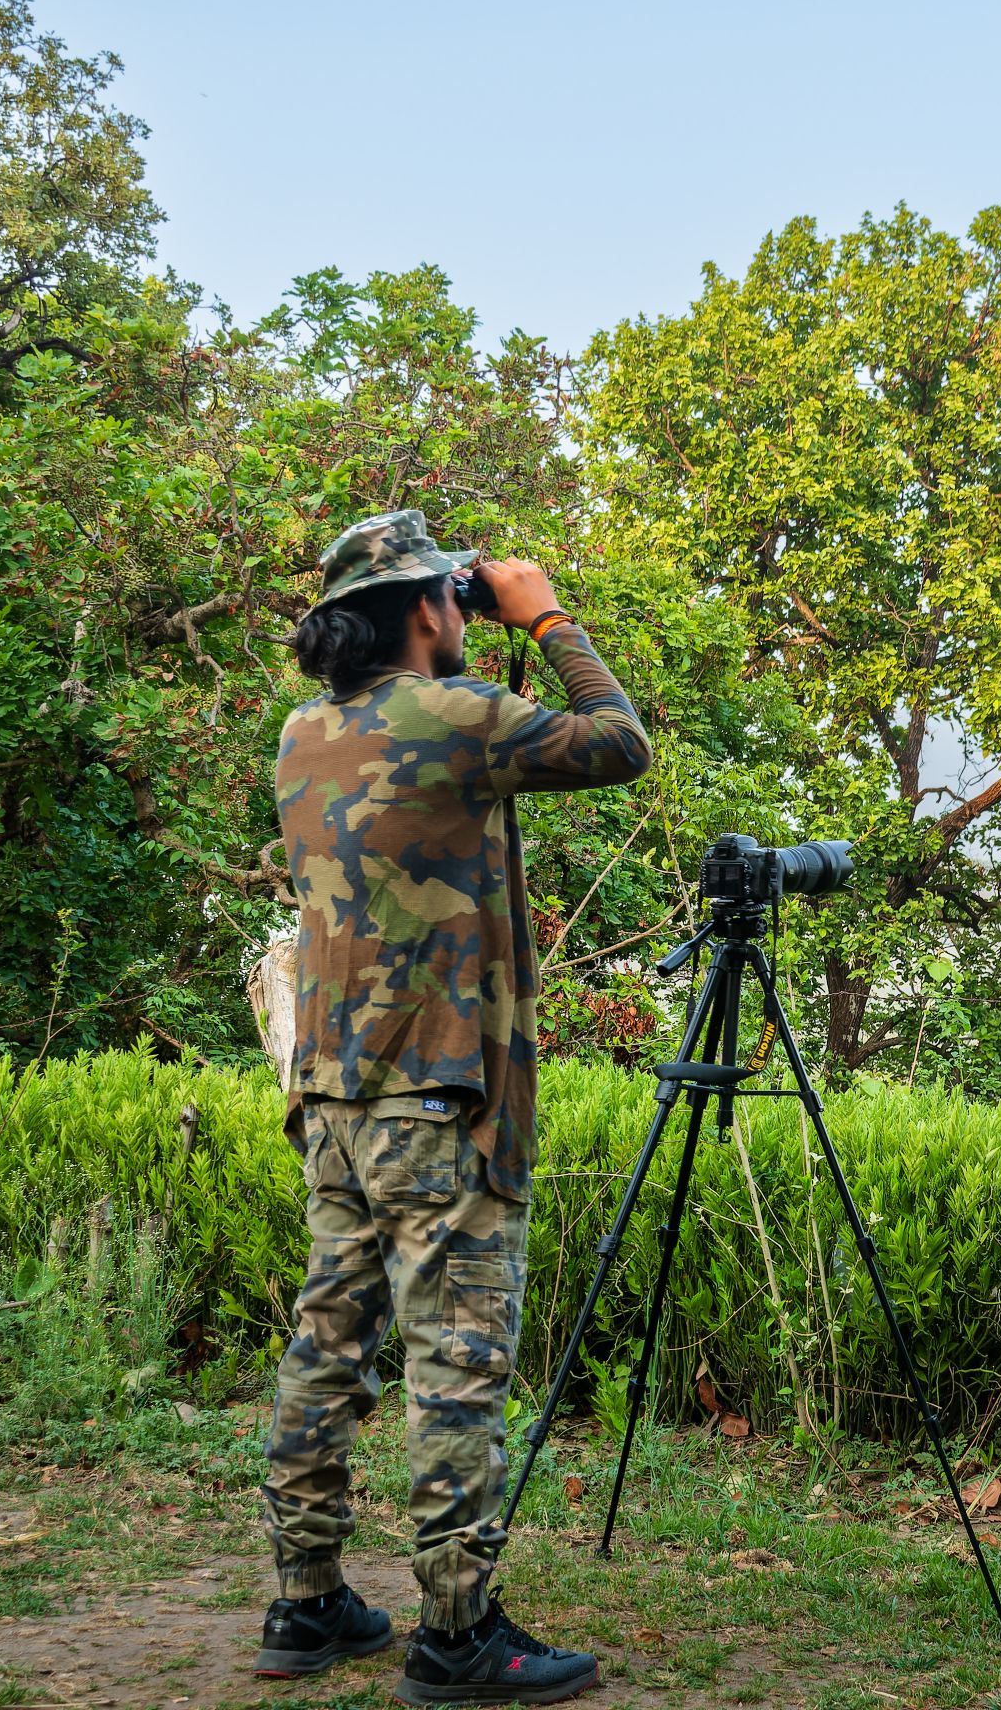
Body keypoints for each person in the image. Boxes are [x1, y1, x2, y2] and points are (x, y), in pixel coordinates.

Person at [252, 509, 650, 1703]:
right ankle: (458, 1634)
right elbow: (619, 742)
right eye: (451, 600)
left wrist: (474, 631)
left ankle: (306, 1602)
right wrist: (542, 612)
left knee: (329, 1343)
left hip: (331, 1094)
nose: (463, 616)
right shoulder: (453, 718)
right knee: (456, 1360)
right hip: (437, 1096)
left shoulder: (303, 731)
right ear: (425, 610)